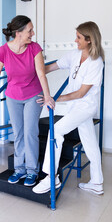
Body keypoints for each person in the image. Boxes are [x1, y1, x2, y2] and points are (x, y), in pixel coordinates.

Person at [32, 21, 104, 195]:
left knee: (55, 130)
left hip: (85, 107)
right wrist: (35, 71)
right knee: (90, 142)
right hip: (75, 106)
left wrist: (54, 98)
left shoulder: (96, 62)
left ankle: (51, 178)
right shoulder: (74, 54)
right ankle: (97, 182)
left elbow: (80, 93)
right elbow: (52, 67)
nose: (75, 40)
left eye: (79, 37)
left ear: (89, 39)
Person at [0, 15, 55, 187]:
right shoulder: (3, 50)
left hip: (33, 95)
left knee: (30, 132)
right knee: (18, 133)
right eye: (29, 30)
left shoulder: (34, 48)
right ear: (18, 33)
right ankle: (19, 169)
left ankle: (32, 171)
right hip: (13, 96)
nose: (33, 33)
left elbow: (40, 72)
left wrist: (47, 96)